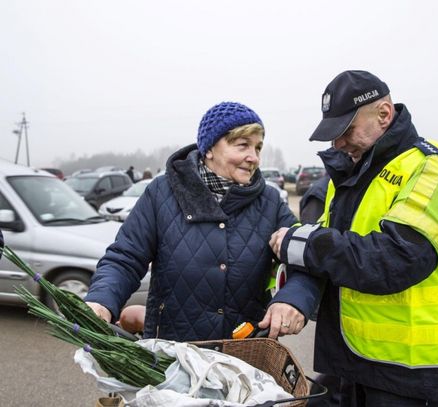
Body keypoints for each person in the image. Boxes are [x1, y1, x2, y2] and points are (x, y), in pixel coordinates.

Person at [270, 70, 438, 406]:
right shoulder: (352, 175)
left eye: (345, 130)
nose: (337, 143)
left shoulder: (435, 169)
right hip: (352, 362)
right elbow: (330, 249)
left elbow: (395, 259)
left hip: (406, 373)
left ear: (384, 114)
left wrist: (303, 244)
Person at [85, 101, 319, 341]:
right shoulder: (161, 193)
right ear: (209, 149)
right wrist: (101, 301)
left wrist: (293, 299)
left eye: (258, 148)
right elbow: (125, 257)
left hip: (245, 356)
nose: (254, 158)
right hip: (171, 355)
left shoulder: (269, 202)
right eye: (243, 145)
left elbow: (307, 261)